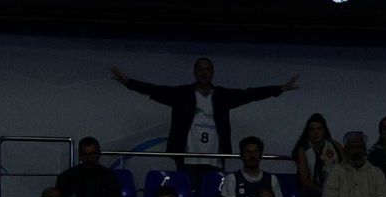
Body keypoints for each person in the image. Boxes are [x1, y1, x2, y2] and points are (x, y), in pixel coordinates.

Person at [110, 57, 298, 174]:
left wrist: (280, 88)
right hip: (187, 160)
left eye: (208, 68)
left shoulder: (222, 96)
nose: (204, 72)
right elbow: (155, 90)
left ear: (213, 72)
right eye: (200, 68)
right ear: (194, 73)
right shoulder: (182, 95)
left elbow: (250, 94)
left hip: (215, 159)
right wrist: (128, 83)